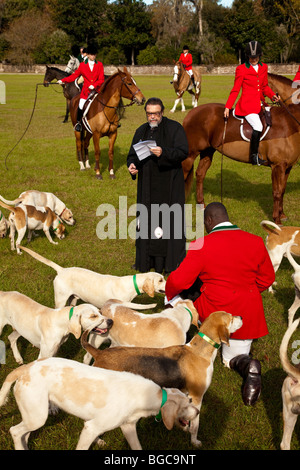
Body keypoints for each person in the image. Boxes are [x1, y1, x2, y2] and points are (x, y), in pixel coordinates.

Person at [165, 202, 275, 406]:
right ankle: (248, 365)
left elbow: (179, 280)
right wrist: (247, 292)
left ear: (209, 220)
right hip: (247, 315)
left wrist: (170, 297)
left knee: (211, 354)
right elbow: (267, 278)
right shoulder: (256, 241)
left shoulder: (201, 244)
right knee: (233, 358)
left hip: (213, 312)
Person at [127, 97, 189, 275]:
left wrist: (164, 152)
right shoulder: (141, 131)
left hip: (169, 186)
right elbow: (132, 155)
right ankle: (146, 261)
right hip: (147, 187)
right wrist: (132, 166)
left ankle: (171, 263)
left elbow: (183, 151)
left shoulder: (175, 128)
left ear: (162, 112)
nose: (152, 117)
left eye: (155, 113)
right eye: (149, 114)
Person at [224, 40, 280, 166]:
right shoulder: (241, 69)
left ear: (259, 56)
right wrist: (228, 107)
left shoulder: (263, 67)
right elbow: (235, 89)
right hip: (247, 106)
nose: (253, 59)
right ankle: (253, 156)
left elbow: (264, 86)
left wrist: (273, 96)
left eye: (255, 57)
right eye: (251, 57)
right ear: (247, 56)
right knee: (258, 127)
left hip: (260, 103)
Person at [57, 45, 105, 131]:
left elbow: (101, 79)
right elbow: (74, 76)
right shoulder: (82, 65)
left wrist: (94, 85)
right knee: (81, 105)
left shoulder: (100, 65)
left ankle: (113, 121)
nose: (93, 56)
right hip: (86, 91)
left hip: (97, 90)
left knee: (107, 102)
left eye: (94, 54)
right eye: (91, 54)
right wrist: (63, 80)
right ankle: (78, 123)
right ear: (88, 55)